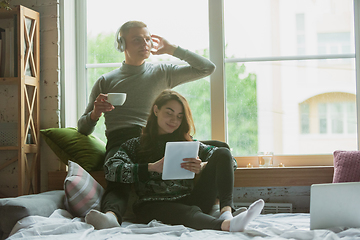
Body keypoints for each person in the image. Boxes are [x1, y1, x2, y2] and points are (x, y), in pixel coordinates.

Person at [78, 20, 216, 225]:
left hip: (154, 138)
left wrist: (173, 49)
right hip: (121, 138)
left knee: (219, 149)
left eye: (148, 39)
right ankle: (111, 217)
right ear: (122, 45)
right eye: (137, 40)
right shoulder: (106, 81)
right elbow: (82, 129)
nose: (145, 44)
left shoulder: (163, 72)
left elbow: (207, 68)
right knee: (117, 172)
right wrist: (95, 114)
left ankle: (215, 206)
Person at [85, 90, 264, 232]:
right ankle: (226, 226)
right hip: (152, 205)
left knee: (223, 152)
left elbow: (230, 162)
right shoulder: (135, 144)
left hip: (192, 199)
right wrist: (151, 168)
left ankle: (226, 214)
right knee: (186, 213)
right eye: (169, 113)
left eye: (179, 116)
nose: (174, 120)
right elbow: (111, 169)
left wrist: (202, 166)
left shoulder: (188, 143)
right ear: (156, 110)